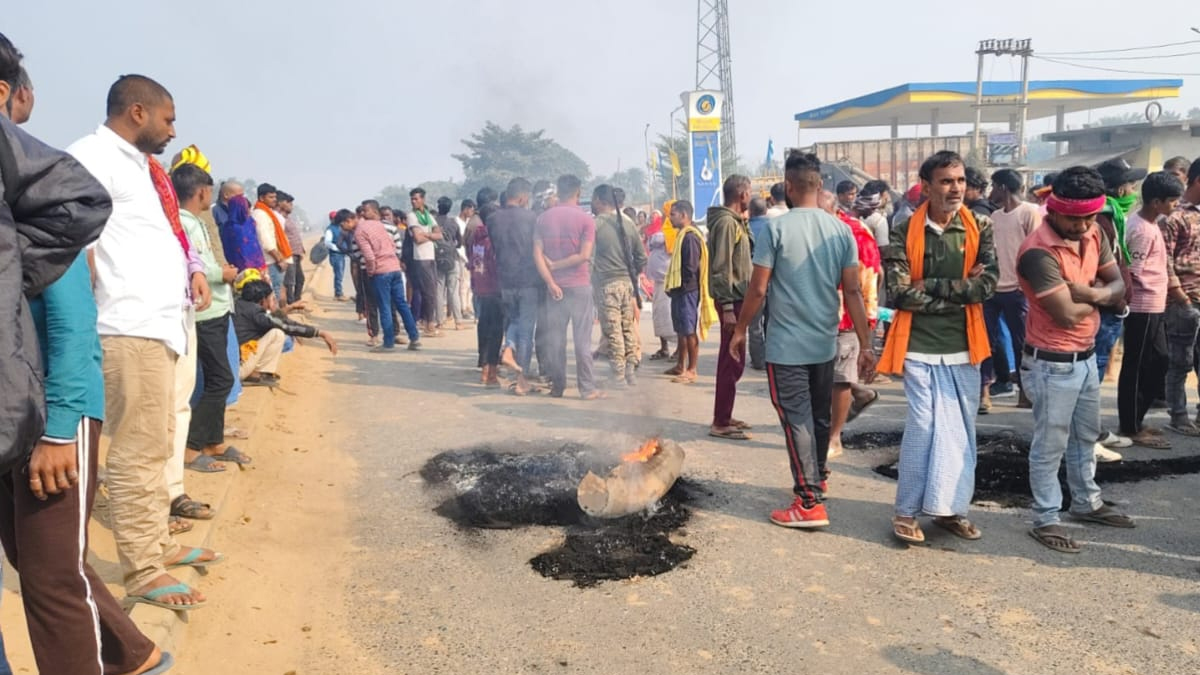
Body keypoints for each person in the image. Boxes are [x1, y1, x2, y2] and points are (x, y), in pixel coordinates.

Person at [0, 36, 170, 674]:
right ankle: (132, 650)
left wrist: (59, 430)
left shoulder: (38, 200)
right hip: (16, 411)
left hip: (54, 414)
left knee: (50, 580)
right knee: (34, 561)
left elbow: (72, 327)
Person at [68, 74, 219, 612]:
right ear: (138, 111)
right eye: (168, 119)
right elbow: (71, 234)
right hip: (125, 326)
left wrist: (189, 272)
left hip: (160, 322)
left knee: (157, 446)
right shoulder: (90, 157)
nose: (173, 130)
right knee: (136, 453)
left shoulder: (143, 167)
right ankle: (143, 571)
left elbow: (160, 235)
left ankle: (156, 543)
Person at [729, 151, 872, 528]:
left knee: (797, 420)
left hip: (786, 347)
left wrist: (741, 330)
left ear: (789, 187)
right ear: (820, 185)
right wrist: (867, 344)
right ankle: (817, 478)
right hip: (824, 343)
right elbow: (854, 293)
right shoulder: (841, 229)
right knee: (818, 417)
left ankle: (808, 502)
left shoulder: (775, 229)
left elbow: (758, 290)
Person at [878, 151, 998, 545]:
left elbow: (987, 286)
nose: (956, 188)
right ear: (926, 187)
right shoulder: (903, 231)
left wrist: (926, 284)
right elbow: (897, 292)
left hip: (966, 344)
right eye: (946, 181)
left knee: (960, 432)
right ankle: (906, 511)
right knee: (924, 428)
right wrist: (959, 292)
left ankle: (950, 510)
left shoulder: (980, 225)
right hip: (918, 345)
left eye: (960, 180)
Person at [1019, 166, 1134, 553]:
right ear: (1054, 209)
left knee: (1086, 436)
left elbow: (1119, 288)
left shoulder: (1095, 232)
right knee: (1051, 443)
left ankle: (1086, 502)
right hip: (1051, 361)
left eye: (1088, 217)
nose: (1083, 226)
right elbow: (1064, 314)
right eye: (1074, 217)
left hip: (1084, 358)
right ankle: (1046, 516)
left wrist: (1087, 292)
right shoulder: (1038, 252)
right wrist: (1102, 294)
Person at [1118, 172, 1181, 449]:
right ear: (1156, 202)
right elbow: (1132, 272)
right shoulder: (1141, 229)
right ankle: (1130, 425)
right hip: (1142, 308)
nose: (1175, 205)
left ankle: (1136, 419)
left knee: (1159, 361)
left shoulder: (1151, 223)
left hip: (1154, 306)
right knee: (1138, 365)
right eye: (1172, 201)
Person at [534, 174, 602, 399]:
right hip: (580, 285)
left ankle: (557, 386)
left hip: (555, 288)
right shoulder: (586, 220)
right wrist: (559, 266)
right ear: (578, 192)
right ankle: (587, 388)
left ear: (558, 192)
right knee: (583, 341)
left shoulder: (543, 219)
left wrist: (551, 281)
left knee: (556, 340)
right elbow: (584, 255)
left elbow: (537, 256)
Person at [825, 190, 881, 459]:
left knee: (840, 379)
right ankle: (860, 394)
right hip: (813, 319)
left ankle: (834, 438)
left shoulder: (856, 234)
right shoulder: (811, 232)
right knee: (828, 377)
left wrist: (867, 332)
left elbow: (868, 282)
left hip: (845, 319)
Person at [982, 169, 1039, 411]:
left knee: (1021, 344)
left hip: (1018, 290)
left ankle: (1025, 393)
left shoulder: (1029, 213)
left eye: (993, 186)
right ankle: (983, 392)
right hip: (993, 287)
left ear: (1003, 187)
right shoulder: (994, 216)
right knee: (985, 342)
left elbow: (1037, 252)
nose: (990, 192)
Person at [708, 175, 754, 440]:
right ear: (742, 194)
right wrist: (726, 306)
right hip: (731, 300)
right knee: (730, 360)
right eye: (750, 192)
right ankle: (721, 421)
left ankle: (726, 413)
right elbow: (722, 267)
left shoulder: (736, 222)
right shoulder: (726, 223)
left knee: (734, 360)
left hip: (739, 299)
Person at [490, 179, 543, 394]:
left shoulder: (493, 218)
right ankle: (522, 380)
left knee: (513, 320)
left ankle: (508, 348)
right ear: (522, 197)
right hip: (527, 279)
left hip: (505, 280)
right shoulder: (531, 217)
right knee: (526, 330)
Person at [591, 184, 647, 388]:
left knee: (613, 330)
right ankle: (630, 370)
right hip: (627, 284)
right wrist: (633, 274)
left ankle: (618, 376)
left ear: (599, 199)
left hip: (607, 285)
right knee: (627, 327)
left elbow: (590, 258)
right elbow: (641, 257)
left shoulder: (595, 224)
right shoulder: (629, 222)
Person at [1161, 158, 1200, 436]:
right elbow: (1164, 260)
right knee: (1180, 361)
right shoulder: (1174, 217)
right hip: (1184, 300)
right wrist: (1182, 299)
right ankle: (1178, 415)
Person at [234, 278, 338, 380]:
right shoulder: (255, 312)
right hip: (239, 370)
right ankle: (259, 372)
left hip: (230, 368)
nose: (273, 301)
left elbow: (273, 320)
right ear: (263, 301)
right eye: (271, 299)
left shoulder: (239, 305)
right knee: (277, 333)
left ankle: (257, 372)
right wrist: (319, 333)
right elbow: (284, 325)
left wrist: (289, 308)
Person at [356, 201, 419, 351]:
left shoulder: (360, 230)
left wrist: (371, 271)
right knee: (402, 304)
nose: (363, 214)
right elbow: (393, 246)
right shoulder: (382, 225)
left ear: (372, 211)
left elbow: (369, 257)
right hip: (394, 268)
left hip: (381, 271)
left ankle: (388, 342)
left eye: (365, 211)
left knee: (384, 306)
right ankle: (414, 338)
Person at [665, 200, 716, 384]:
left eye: (673, 214)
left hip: (687, 290)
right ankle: (680, 365)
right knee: (680, 329)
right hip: (679, 290)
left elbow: (691, 267)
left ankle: (692, 369)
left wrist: (680, 285)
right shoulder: (681, 235)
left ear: (684, 215)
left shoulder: (690, 237)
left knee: (689, 330)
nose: (670, 218)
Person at [469, 198, 502, 385]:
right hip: (494, 288)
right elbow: (495, 264)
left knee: (484, 328)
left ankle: (483, 368)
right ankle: (492, 373)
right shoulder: (493, 239)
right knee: (496, 331)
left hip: (480, 288)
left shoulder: (477, 237)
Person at [408, 187, 443, 335]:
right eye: (412, 199)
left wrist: (425, 234)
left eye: (416, 199)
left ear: (423, 199)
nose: (414, 201)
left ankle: (426, 321)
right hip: (421, 258)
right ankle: (429, 324)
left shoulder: (428, 216)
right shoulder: (411, 216)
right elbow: (417, 238)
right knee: (429, 292)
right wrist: (430, 235)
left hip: (430, 256)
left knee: (431, 291)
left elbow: (439, 235)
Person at [251, 183, 292, 301]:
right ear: (261, 198)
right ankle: (275, 318)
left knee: (277, 290)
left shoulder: (268, 213)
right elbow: (266, 241)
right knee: (274, 292)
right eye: (271, 197)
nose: (274, 200)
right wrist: (280, 259)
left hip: (274, 260)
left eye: (275, 197)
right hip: (271, 261)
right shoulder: (260, 214)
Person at [745, 196, 771, 370]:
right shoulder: (774, 228)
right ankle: (772, 358)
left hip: (753, 280)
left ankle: (758, 360)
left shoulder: (746, 229)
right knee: (772, 321)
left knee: (754, 324)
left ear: (751, 211)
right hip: (775, 281)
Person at [433, 196, 464, 329]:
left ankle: (440, 321)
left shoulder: (433, 222)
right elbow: (460, 242)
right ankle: (458, 322)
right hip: (452, 258)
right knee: (453, 291)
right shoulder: (453, 222)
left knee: (439, 291)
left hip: (437, 259)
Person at [646, 229, 674, 361]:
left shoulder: (673, 232)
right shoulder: (658, 231)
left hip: (669, 282)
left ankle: (681, 350)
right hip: (658, 282)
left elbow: (664, 244)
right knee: (659, 316)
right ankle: (664, 348)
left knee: (671, 317)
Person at [280, 191, 306, 305]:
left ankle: (297, 300)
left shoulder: (289, 218)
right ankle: (291, 303)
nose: (291, 206)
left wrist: (301, 248)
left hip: (296, 253)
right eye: (289, 203)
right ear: (282, 203)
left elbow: (294, 235)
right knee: (290, 281)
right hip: (288, 253)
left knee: (299, 279)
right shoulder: (280, 219)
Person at [455, 199, 475, 319]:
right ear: (465, 209)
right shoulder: (457, 222)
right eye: (471, 210)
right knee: (464, 283)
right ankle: (463, 307)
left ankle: (469, 306)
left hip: (470, 255)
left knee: (471, 284)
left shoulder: (469, 222)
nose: (472, 213)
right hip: (462, 255)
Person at [324, 210, 348, 300]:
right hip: (336, 255)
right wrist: (338, 248)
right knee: (339, 274)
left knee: (340, 274)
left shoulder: (341, 227)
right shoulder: (330, 229)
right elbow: (327, 243)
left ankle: (338, 292)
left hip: (341, 255)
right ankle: (338, 293)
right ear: (331, 219)